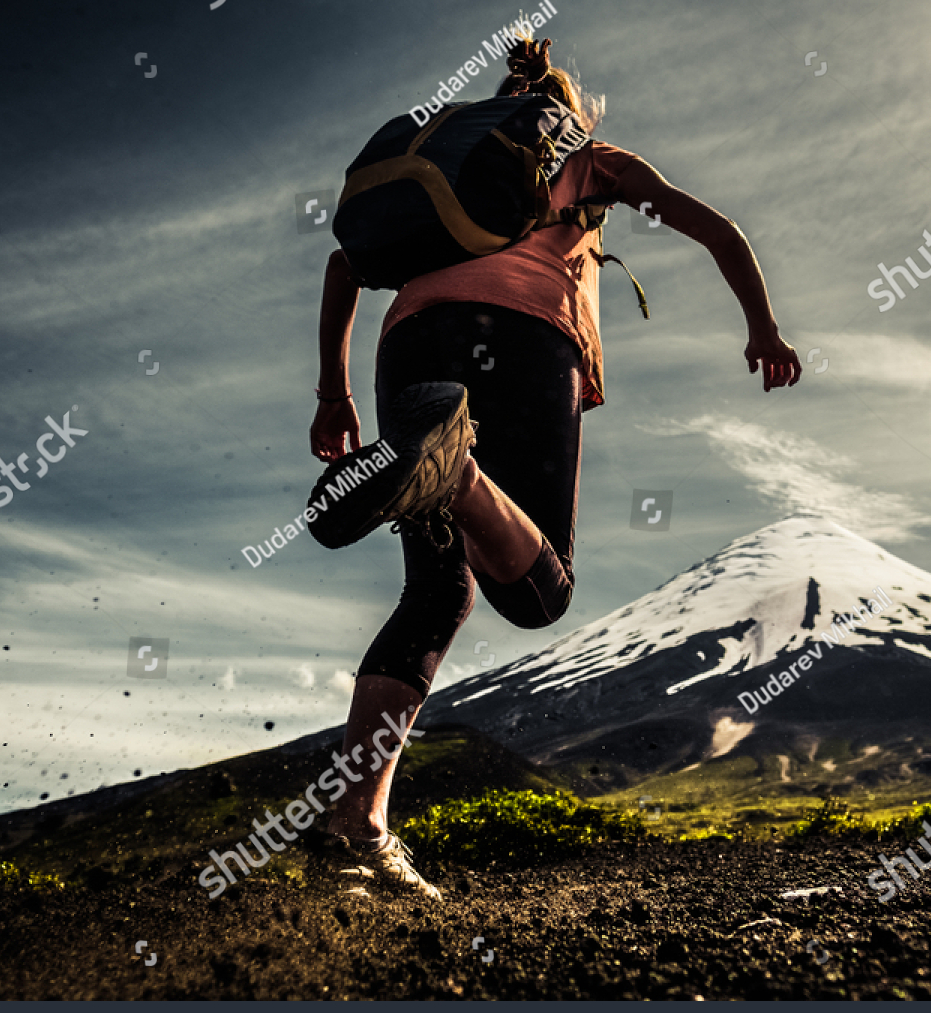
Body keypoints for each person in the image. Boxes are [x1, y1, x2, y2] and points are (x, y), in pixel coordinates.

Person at [305, 36, 802, 900]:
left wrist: (333, 395)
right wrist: (762, 326)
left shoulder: (449, 176)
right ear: (568, 110)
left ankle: (357, 822)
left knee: (435, 592)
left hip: (409, 350)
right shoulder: (587, 156)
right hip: (524, 343)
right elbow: (716, 228)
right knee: (541, 592)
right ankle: (449, 468)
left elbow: (346, 264)